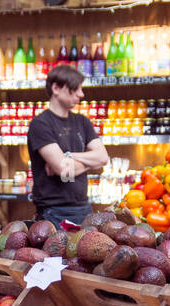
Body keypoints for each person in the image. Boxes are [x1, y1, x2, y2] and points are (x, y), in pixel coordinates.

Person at [28, 64, 109, 224]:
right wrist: (90, 163)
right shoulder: (40, 124)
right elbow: (64, 170)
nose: (81, 94)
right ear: (56, 88)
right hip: (53, 212)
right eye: (75, 89)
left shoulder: (83, 121)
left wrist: (68, 156)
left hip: (85, 208)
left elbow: (103, 158)